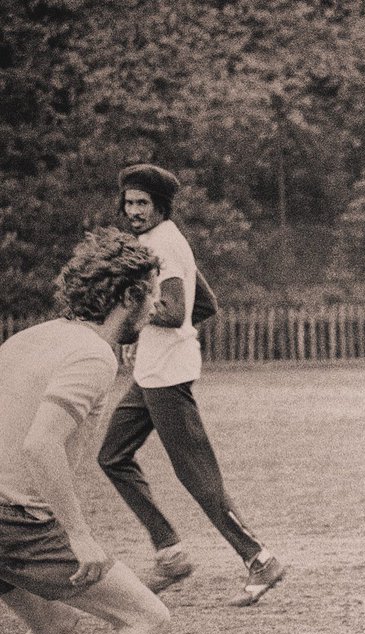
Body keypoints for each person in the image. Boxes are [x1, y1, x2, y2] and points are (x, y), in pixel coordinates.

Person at [0, 228, 171, 634]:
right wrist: (77, 534)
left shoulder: (33, 338)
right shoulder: (93, 354)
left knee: (52, 622)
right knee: (148, 617)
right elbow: (41, 445)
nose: (157, 303)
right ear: (128, 297)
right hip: (14, 519)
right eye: (151, 292)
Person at [97, 164, 284, 607]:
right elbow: (208, 303)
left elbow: (178, 310)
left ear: (160, 206)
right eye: (129, 202)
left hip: (167, 376)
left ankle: (260, 558)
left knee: (197, 476)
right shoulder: (158, 240)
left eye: (143, 203)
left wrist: (132, 320)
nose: (134, 210)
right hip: (153, 372)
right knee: (112, 455)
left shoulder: (162, 244)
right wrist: (157, 337)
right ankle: (170, 552)